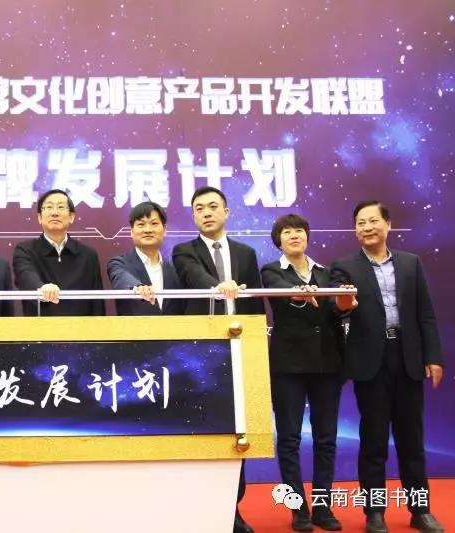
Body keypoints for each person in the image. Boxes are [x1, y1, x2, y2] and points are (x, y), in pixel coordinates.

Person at [331, 201, 445, 533]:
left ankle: (420, 510)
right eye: (360, 223)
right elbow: (339, 310)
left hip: (408, 357)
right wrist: (344, 303)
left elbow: (425, 313)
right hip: (370, 362)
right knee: (374, 440)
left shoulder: (411, 263)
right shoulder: (344, 266)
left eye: (372, 221)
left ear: (388, 224)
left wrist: (433, 356)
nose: (366, 227)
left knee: (412, 439)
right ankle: (374, 512)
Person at [171, 185, 264, 533]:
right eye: (199, 208)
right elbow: (194, 276)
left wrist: (256, 346)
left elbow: (255, 304)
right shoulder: (183, 251)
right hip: (200, 356)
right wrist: (219, 286)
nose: (207, 213)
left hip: (239, 352)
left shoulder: (246, 253)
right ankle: (202, 506)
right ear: (193, 216)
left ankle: (232, 508)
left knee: (238, 432)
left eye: (213, 206)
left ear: (226, 212)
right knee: (202, 429)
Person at [260, 214, 344, 532]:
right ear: (278, 240)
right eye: (287, 232)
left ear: (307, 236)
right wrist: (303, 292)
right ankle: (298, 509)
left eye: (299, 230)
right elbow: (281, 290)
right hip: (288, 367)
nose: (294, 235)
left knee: (326, 438)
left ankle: (323, 507)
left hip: (327, 364)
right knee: (289, 438)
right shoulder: (271, 270)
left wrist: (344, 301)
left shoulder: (327, 271)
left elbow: (338, 308)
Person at [13, 189, 105, 316]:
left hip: (80, 327)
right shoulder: (25, 250)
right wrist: (41, 288)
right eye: (49, 207)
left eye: (61, 207)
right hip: (40, 326)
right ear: (40, 218)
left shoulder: (88, 255)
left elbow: (97, 303)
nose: (55, 213)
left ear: (71, 217)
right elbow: (25, 276)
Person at [107, 201, 186, 315]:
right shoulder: (119, 264)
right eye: (141, 224)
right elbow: (121, 278)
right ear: (131, 232)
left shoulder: (176, 268)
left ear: (165, 230)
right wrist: (138, 287)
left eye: (154, 223)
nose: (148, 230)